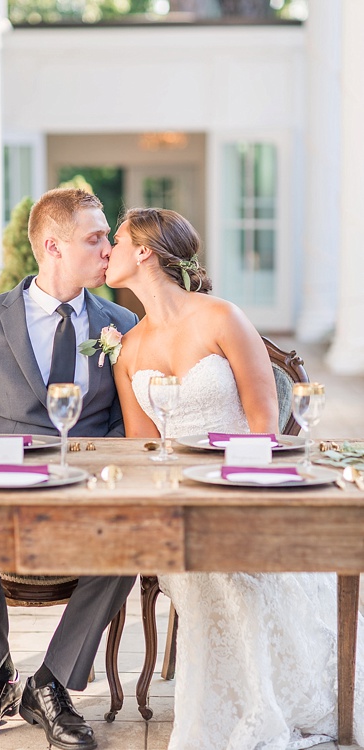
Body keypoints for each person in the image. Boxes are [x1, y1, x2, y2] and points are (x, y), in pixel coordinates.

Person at [106, 207, 364, 750]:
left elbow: (264, 419)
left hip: (245, 488)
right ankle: (247, 708)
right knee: (208, 574)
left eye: (117, 239)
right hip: (178, 509)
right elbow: (142, 448)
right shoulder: (128, 349)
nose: (108, 249)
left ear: (145, 252)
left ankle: (284, 701)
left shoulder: (222, 317)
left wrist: (241, 496)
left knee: (243, 568)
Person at [0, 188, 138, 749]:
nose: (108, 248)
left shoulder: (119, 321)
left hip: (88, 498)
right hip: (2, 495)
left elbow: (127, 424)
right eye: (95, 238)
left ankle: (49, 685)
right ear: (53, 246)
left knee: (133, 543)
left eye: (108, 237)